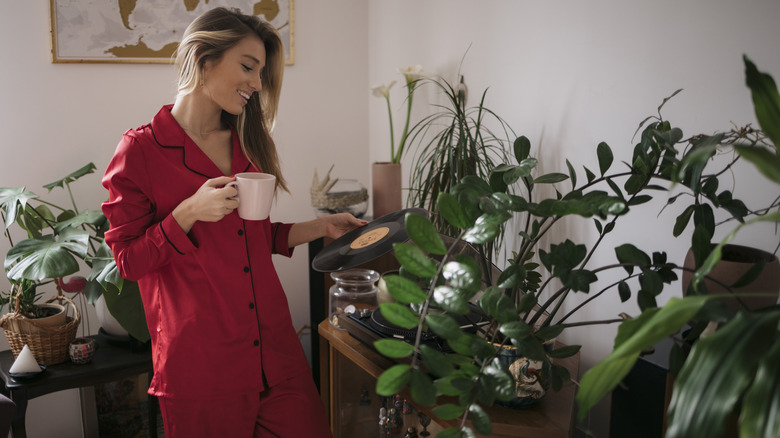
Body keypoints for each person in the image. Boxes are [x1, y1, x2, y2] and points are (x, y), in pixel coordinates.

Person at [101, 7, 364, 438]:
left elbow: (252, 238)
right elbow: (128, 261)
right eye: (247, 67)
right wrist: (187, 212)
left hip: (275, 354)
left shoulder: (246, 140)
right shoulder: (140, 151)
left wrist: (320, 227)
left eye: (260, 72)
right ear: (204, 58)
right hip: (201, 369)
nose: (257, 84)